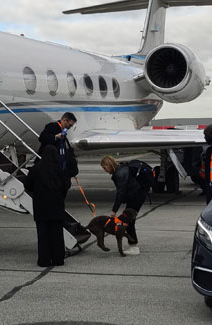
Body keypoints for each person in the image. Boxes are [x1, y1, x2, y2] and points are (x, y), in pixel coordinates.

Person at [38, 112, 88, 243]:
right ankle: (60, 219)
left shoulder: (64, 132)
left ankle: (62, 218)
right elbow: (42, 138)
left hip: (60, 168)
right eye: (69, 125)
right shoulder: (52, 127)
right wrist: (56, 137)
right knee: (57, 196)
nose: (69, 128)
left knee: (62, 193)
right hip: (52, 167)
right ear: (64, 120)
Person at [23, 145, 70, 267]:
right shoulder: (60, 169)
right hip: (56, 206)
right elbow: (66, 185)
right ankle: (58, 259)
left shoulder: (35, 169)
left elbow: (27, 185)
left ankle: (44, 260)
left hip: (41, 206)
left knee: (43, 235)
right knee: (57, 234)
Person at [100, 155, 147, 247]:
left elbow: (120, 193)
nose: (105, 170)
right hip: (137, 195)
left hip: (136, 197)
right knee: (128, 220)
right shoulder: (122, 168)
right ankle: (132, 243)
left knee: (128, 221)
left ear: (109, 165)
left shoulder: (119, 174)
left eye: (105, 168)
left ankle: (133, 245)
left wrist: (114, 210)